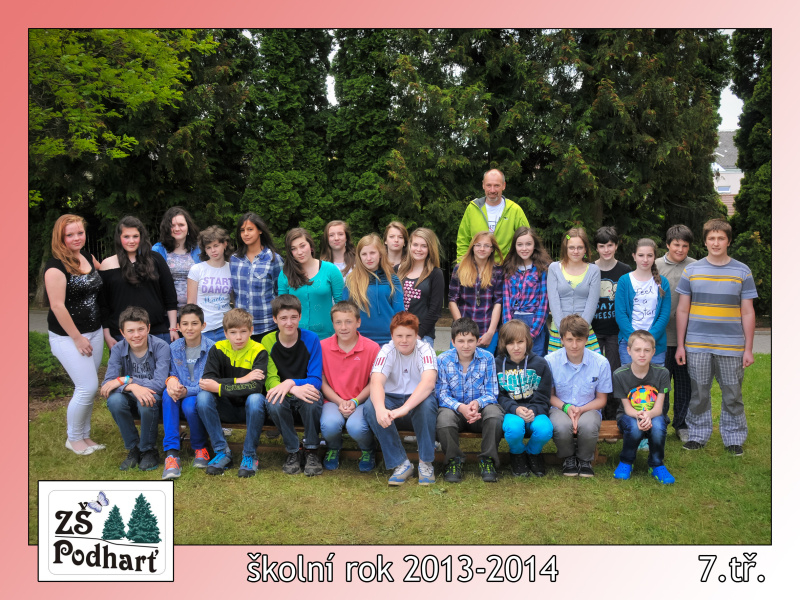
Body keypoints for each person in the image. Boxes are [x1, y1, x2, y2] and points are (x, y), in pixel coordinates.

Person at [676, 219, 757, 456]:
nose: (716, 242)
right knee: (699, 393)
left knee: (733, 394)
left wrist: (748, 348)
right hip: (697, 344)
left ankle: (734, 438)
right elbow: (682, 309)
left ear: (728, 241)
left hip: (731, 346)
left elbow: (747, 311)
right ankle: (697, 435)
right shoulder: (691, 270)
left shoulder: (742, 271)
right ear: (705, 242)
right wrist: (680, 345)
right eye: (711, 238)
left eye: (721, 238)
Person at [44, 214, 105, 456]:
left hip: (95, 332)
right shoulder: (55, 267)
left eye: (80, 232)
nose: (76, 238)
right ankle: (73, 438)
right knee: (87, 387)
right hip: (68, 337)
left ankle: (85, 435)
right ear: (60, 238)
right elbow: (57, 306)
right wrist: (78, 338)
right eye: (69, 235)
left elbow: (105, 271)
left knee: (89, 387)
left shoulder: (87, 256)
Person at [363, 312, 438, 486]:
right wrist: (380, 409)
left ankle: (426, 463)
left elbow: (428, 383)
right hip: (392, 398)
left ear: (416, 335)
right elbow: (376, 382)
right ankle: (401, 463)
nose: (404, 340)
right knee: (371, 407)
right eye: (399, 336)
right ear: (392, 336)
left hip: (418, 398)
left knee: (427, 405)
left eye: (409, 336)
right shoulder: (386, 350)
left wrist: (405, 408)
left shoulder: (425, 349)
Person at [195, 308, 269, 477]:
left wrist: (220, 387)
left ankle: (249, 455)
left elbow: (256, 387)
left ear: (251, 331)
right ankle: (222, 452)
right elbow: (207, 381)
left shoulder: (259, 350)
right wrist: (242, 380)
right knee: (203, 397)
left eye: (243, 332)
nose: (238, 337)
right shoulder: (218, 348)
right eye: (233, 332)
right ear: (225, 333)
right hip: (225, 407)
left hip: (250, 409)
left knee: (256, 398)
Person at [100, 306, 171, 471]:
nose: (136, 335)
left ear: (148, 328)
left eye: (141, 329)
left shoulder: (161, 346)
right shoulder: (117, 348)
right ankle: (134, 448)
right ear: (122, 333)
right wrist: (132, 387)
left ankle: (148, 450)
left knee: (146, 400)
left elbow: (159, 384)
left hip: (154, 397)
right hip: (130, 395)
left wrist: (127, 380)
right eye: (130, 331)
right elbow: (107, 385)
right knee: (115, 401)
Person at [263, 295, 324, 477]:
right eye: (283, 318)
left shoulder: (311, 339)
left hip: (305, 391)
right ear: (275, 319)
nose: (289, 323)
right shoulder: (267, 341)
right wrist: (291, 387)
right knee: (274, 402)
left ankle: (311, 450)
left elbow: (316, 379)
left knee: (312, 398)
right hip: (283, 393)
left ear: (300, 317)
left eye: (293, 317)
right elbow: (271, 380)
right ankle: (293, 450)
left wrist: (292, 382)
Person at [435, 318, 502, 483]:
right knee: (444, 419)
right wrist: (460, 407)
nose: (466, 345)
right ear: (453, 342)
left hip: (479, 411)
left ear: (478, 341)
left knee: (494, 415)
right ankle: (453, 460)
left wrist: (477, 404)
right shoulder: (443, 360)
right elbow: (442, 393)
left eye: (471, 340)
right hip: (455, 411)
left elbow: (492, 392)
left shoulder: (487, 358)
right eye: (461, 341)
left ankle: (488, 460)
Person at [545, 314, 612, 477]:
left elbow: (601, 399)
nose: (574, 345)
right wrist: (567, 408)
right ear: (561, 339)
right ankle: (568, 457)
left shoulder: (601, 363)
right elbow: (549, 396)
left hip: (589, 407)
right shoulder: (550, 361)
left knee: (588, 426)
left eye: (579, 340)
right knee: (561, 426)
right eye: (569, 340)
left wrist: (581, 410)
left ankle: (584, 459)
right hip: (560, 407)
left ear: (586, 339)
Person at [319, 301, 381, 472]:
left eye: (349, 322)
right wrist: (340, 401)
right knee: (329, 425)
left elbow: (374, 382)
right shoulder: (323, 346)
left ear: (358, 322)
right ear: (333, 324)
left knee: (356, 427)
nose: (343, 327)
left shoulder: (372, 348)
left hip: (361, 401)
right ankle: (333, 447)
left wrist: (355, 401)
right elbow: (322, 381)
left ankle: (368, 449)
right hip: (333, 400)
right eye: (338, 322)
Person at [99, 216, 178, 347]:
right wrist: (107, 335)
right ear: (119, 238)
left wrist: (173, 328)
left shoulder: (155, 259)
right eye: (126, 236)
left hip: (157, 332)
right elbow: (103, 305)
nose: (131, 241)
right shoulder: (107, 265)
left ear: (141, 237)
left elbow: (170, 296)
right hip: (122, 335)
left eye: (135, 236)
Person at [612, 330, 675, 484]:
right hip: (628, 415)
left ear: (653, 352)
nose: (642, 354)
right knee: (634, 428)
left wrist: (648, 415)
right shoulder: (619, 375)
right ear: (629, 351)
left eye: (647, 350)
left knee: (658, 427)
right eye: (637, 350)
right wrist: (639, 416)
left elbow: (659, 408)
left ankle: (656, 464)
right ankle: (626, 461)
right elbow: (627, 408)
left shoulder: (662, 373)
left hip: (654, 414)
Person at [161, 304, 214, 480]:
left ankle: (200, 447)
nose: (189, 328)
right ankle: (172, 454)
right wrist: (171, 381)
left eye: (194, 323)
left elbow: (209, 382)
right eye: (185, 324)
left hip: (199, 394)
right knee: (167, 395)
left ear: (203, 325)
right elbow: (171, 372)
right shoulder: (174, 347)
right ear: (178, 326)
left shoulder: (212, 348)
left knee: (190, 406)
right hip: (178, 392)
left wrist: (187, 391)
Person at [496, 319, 553, 477]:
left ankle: (533, 453)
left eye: (520, 342)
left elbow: (544, 395)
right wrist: (514, 409)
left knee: (544, 430)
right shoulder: (497, 364)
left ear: (527, 341)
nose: (516, 347)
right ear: (503, 344)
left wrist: (533, 410)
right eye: (511, 343)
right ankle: (518, 454)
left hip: (536, 411)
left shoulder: (540, 364)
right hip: (511, 412)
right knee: (513, 429)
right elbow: (498, 395)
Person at [655, 224, 697, 442]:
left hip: (687, 337)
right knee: (662, 383)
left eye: (685, 246)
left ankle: (682, 424)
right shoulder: (655, 265)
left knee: (684, 384)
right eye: (676, 245)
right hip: (661, 337)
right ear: (668, 244)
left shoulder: (696, 266)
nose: (680, 249)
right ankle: (659, 421)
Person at [278, 227, 344, 340]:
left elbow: (342, 305)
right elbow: (282, 308)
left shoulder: (331, 270)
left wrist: (339, 330)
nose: (299, 252)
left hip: (328, 336)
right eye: (294, 249)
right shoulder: (285, 274)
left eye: (302, 246)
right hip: (296, 338)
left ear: (311, 246)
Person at [615, 238, 671, 367]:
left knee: (655, 379)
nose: (645, 260)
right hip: (629, 343)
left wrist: (650, 338)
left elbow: (664, 315)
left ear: (654, 257)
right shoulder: (624, 281)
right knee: (630, 379)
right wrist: (634, 339)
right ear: (634, 256)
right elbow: (621, 314)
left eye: (649, 255)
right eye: (641, 255)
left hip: (655, 343)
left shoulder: (663, 282)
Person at [229, 212, 283, 343]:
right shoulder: (234, 259)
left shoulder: (273, 259)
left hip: (267, 326)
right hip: (241, 327)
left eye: (250, 229)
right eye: (242, 230)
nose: (245, 234)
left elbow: (280, 293)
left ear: (260, 230)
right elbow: (234, 293)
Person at [342, 233, 404, 346]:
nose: (369, 258)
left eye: (372, 253)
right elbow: (345, 312)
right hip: (359, 340)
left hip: (388, 340)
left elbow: (399, 313)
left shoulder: (392, 279)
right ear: (359, 257)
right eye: (364, 254)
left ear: (380, 254)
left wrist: (399, 337)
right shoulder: (352, 280)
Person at [546, 227, 600, 354]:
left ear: (585, 249)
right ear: (565, 248)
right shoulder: (554, 268)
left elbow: (592, 303)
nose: (576, 251)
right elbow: (554, 302)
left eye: (580, 247)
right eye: (571, 247)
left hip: (583, 330)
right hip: (559, 330)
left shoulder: (593, 270)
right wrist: (563, 332)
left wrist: (580, 331)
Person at [449, 231, 504, 354]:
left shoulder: (497, 271)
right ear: (472, 247)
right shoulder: (460, 268)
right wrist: (461, 328)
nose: (482, 249)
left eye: (487, 246)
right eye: (478, 245)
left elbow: (498, 302)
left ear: (492, 249)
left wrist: (491, 332)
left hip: (487, 329)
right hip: (461, 329)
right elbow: (452, 300)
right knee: (459, 363)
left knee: (485, 364)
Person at [592, 226, 631, 401]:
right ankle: (596, 408)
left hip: (615, 331)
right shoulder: (590, 269)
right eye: (602, 246)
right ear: (596, 248)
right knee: (594, 372)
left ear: (616, 245)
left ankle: (613, 409)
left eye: (610, 245)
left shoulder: (625, 270)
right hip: (593, 330)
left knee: (615, 371)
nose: (606, 250)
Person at [455, 168, 529, 261]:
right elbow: (463, 241)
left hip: (506, 267)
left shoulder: (515, 210)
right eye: (489, 185)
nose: (492, 190)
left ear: (504, 186)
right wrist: (462, 265)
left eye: (496, 185)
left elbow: (526, 241)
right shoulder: (472, 208)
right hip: (477, 267)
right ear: (483, 185)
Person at [502, 226, 551, 357]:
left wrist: (533, 332)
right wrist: (508, 328)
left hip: (534, 321)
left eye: (528, 244)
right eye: (520, 244)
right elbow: (506, 302)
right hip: (513, 320)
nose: (524, 248)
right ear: (514, 246)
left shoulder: (542, 268)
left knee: (535, 361)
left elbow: (544, 303)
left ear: (534, 245)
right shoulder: (509, 268)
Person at [397, 227, 445, 347]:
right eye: (415, 245)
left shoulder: (435, 274)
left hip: (422, 336)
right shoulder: (397, 270)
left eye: (424, 246)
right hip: (398, 333)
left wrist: (418, 335)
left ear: (430, 248)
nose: (418, 249)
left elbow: (435, 310)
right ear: (410, 246)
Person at [187, 225, 233, 344]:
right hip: (203, 328)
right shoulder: (197, 269)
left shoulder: (232, 268)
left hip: (226, 327)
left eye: (216, 245)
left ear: (225, 244)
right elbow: (191, 304)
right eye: (208, 247)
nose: (213, 250)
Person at [152, 206, 202, 308]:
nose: (177, 229)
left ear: (188, 227)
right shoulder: (157, 250)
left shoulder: (199, 250)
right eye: (172, 225)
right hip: (166, 310)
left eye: (181, 225)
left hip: (194, 310)